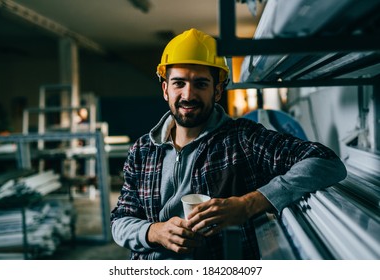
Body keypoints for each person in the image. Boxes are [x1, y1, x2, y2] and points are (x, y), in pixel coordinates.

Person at [110, 28, 347, 260]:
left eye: (201, 84)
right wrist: (154, 232)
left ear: (217, 90)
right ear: (165, 89)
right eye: (179, 83)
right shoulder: (142, 151)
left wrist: (248, 204)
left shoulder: (242, 138)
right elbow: (120, 220)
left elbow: (326, 162)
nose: (188, 95)